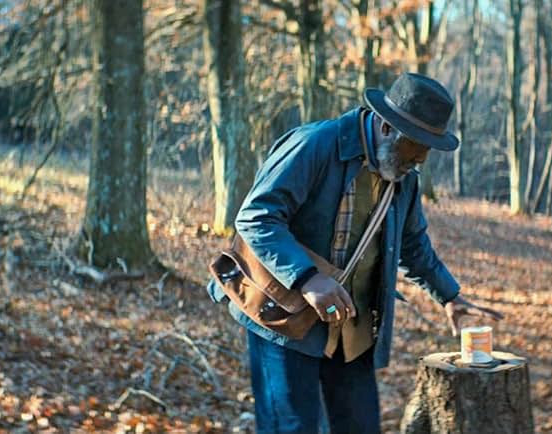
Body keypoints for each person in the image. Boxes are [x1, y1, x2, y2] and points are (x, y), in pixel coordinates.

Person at [207, 72, 504, 434]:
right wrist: (308, 278)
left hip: (351, 329)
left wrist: (450, 297)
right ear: (385, 126)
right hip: (282, 319)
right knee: (292, 427)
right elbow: (256, 217)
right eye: (417, 144)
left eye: (430, 145)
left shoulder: (403, 176)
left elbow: (413, 246)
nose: (422, 157)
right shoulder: (315, 144)